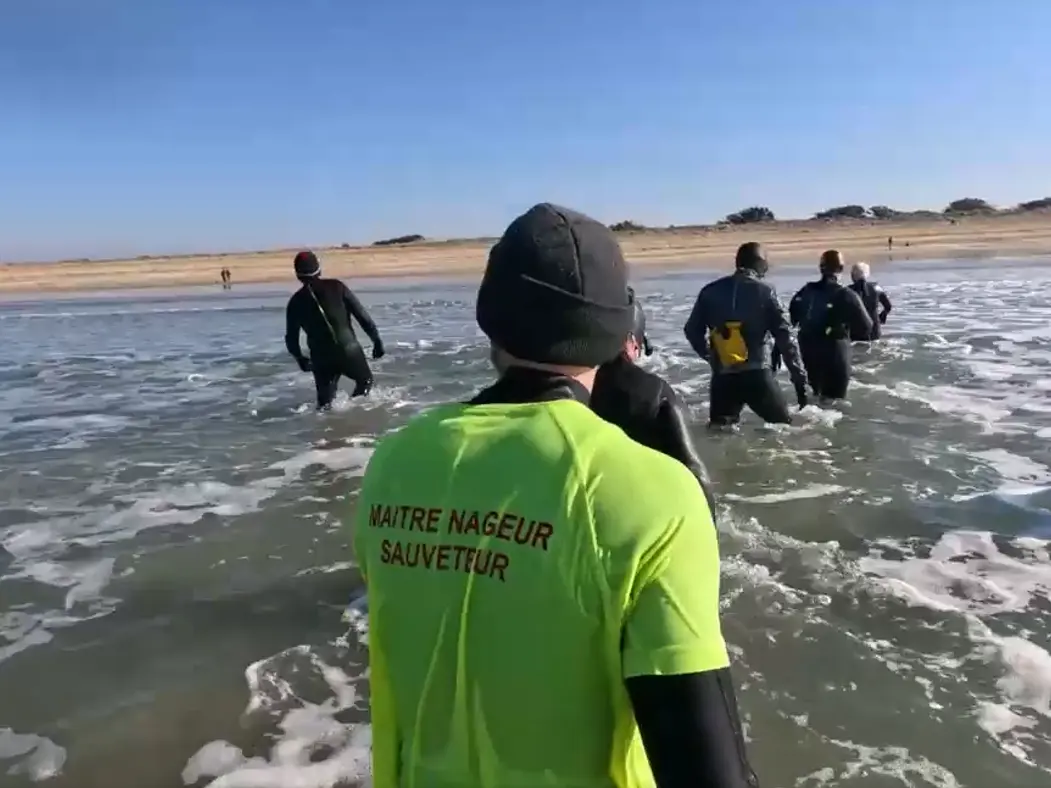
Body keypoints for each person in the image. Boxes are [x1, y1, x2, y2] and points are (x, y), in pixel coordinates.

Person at [353, 203, 759, 788]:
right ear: (622, 327)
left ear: (490, 318)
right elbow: (707, 769)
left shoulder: (393, 461)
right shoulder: (656, 494)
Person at [591, 286, 717, 515]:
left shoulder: (574, 388)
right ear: (631, 341)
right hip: (644, 515)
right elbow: (694, 473)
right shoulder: (656, 393)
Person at [684, 242, 808, 427]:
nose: (767, 268)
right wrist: (799, 380)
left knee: (720, 433)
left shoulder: (709, 291)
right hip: (757, 375)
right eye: (766, 263)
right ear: (759, 263)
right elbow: (786, 338)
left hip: (723, 377)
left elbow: (692, 331)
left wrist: (711, 356)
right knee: (784, 430)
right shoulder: (766, 292)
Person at [284, 250, 385, 409]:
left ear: (297, 275)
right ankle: (355, 412)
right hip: (348, 350)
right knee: (365, 381)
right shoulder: (337, 287)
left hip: (320, 358)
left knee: (325, 405)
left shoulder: (294, 302)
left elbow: (291, 338)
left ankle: (329, 429)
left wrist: (300, 359)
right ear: (319, 269)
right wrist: (377, 341)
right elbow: (363, 317)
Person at [789, 250, 873, 401]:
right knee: (836, 403)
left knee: (817, 396)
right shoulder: (846, 294)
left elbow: (792, 318)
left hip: (809, 352)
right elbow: (867, 326)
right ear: (841, 269)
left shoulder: (806, 290)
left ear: (820, 268)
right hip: (835, 352)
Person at [848, 262, 893, 341]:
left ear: (853, 275)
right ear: (867, 274)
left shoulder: (848, 291)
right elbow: (888, 306)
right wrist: (883, 315)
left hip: (856, 334)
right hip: (875, 333)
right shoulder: (876, 287)